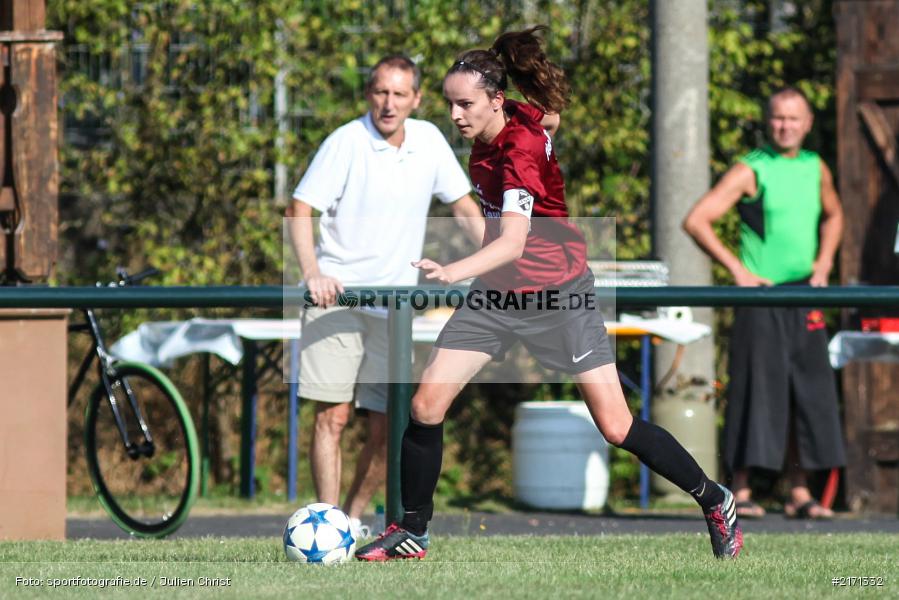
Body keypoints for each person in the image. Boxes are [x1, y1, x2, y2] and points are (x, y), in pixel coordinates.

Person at [355, 27, 742, 561]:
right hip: (498, 296)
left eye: (464, 104)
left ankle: (715, 499)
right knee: (425, 403)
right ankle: (411, 533)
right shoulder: (508, 116)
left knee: (616, 425)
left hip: (559, 296)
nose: (455, 116)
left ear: (493, 101)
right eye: (449, 104)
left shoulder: (519, 150)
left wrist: (452, 271)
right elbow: (549, 117)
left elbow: (512, 243)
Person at [286, 55, 483, 538]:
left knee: (383, 427)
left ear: (416, 99)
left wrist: (502, 258)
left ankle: (351, 522)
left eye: (399, 94)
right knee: (330, 417)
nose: (388, 103)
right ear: (368, 94)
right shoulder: (345, 143)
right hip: (337, 302)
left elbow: (462, 206)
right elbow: (299, 207)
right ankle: (322, 527)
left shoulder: (431, 141)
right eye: (379, 92)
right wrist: (313, 273)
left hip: (393, 311)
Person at [683, 87, 846, 520]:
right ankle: (742, 490)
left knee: (806, 394)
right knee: (756, 391)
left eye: (793, 119)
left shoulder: (816, 167)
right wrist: (738, 271)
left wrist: (825, 262)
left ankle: (799, 492)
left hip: (804, 295)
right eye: (777, 118)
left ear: (808, 123)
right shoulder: (749, 170)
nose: (785, 126)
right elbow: (697, 221)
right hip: (761, 296)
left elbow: (835, 215)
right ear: (767, 121)